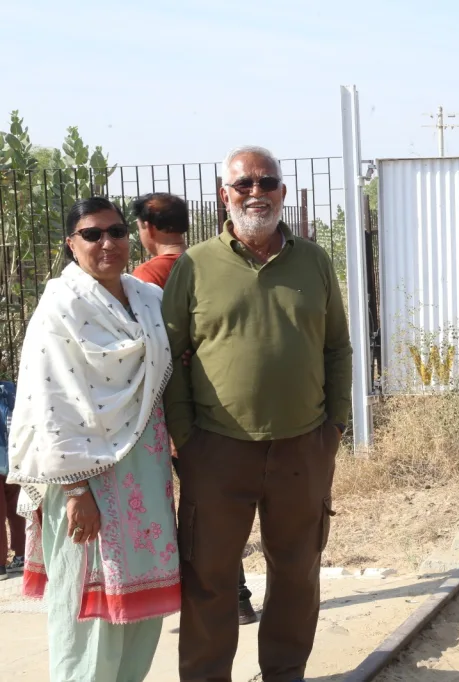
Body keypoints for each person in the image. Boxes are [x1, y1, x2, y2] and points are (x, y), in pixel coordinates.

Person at [163, 145, 352, 682]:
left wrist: (333, 426)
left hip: (303, 448)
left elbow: (337, 348)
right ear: (224, 195)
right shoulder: (196, 265)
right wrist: (186, 436)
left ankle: (285, 673)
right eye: (243, 183)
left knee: (296, 573)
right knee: (209, 579)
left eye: (266, 182)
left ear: (282, 193)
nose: (255, 192)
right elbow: (170, 357)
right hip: (216, 451)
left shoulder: (313, 262)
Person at [6, 197, 180, 681]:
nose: (107, 243)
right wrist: (77, 490)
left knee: (139, 608)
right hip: (84, 477)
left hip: (143, 468)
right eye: (92, 234)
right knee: (88, 608)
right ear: (71, 243)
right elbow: (49, 400)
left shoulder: (146, 297)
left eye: (117, 231)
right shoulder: (59, 307)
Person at [131, 191, 259, 626]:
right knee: (216, 509)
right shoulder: (205, 265)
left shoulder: (145, 276)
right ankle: (235, 598)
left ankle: (215, 600)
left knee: (194, 515)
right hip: (215, 408)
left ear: (147, 228)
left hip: (171, 413)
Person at [0, 379, 25, 580]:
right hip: (12, 457)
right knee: (17, 508)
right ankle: (22, 554)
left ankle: (1, 565)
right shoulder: (10, 390)